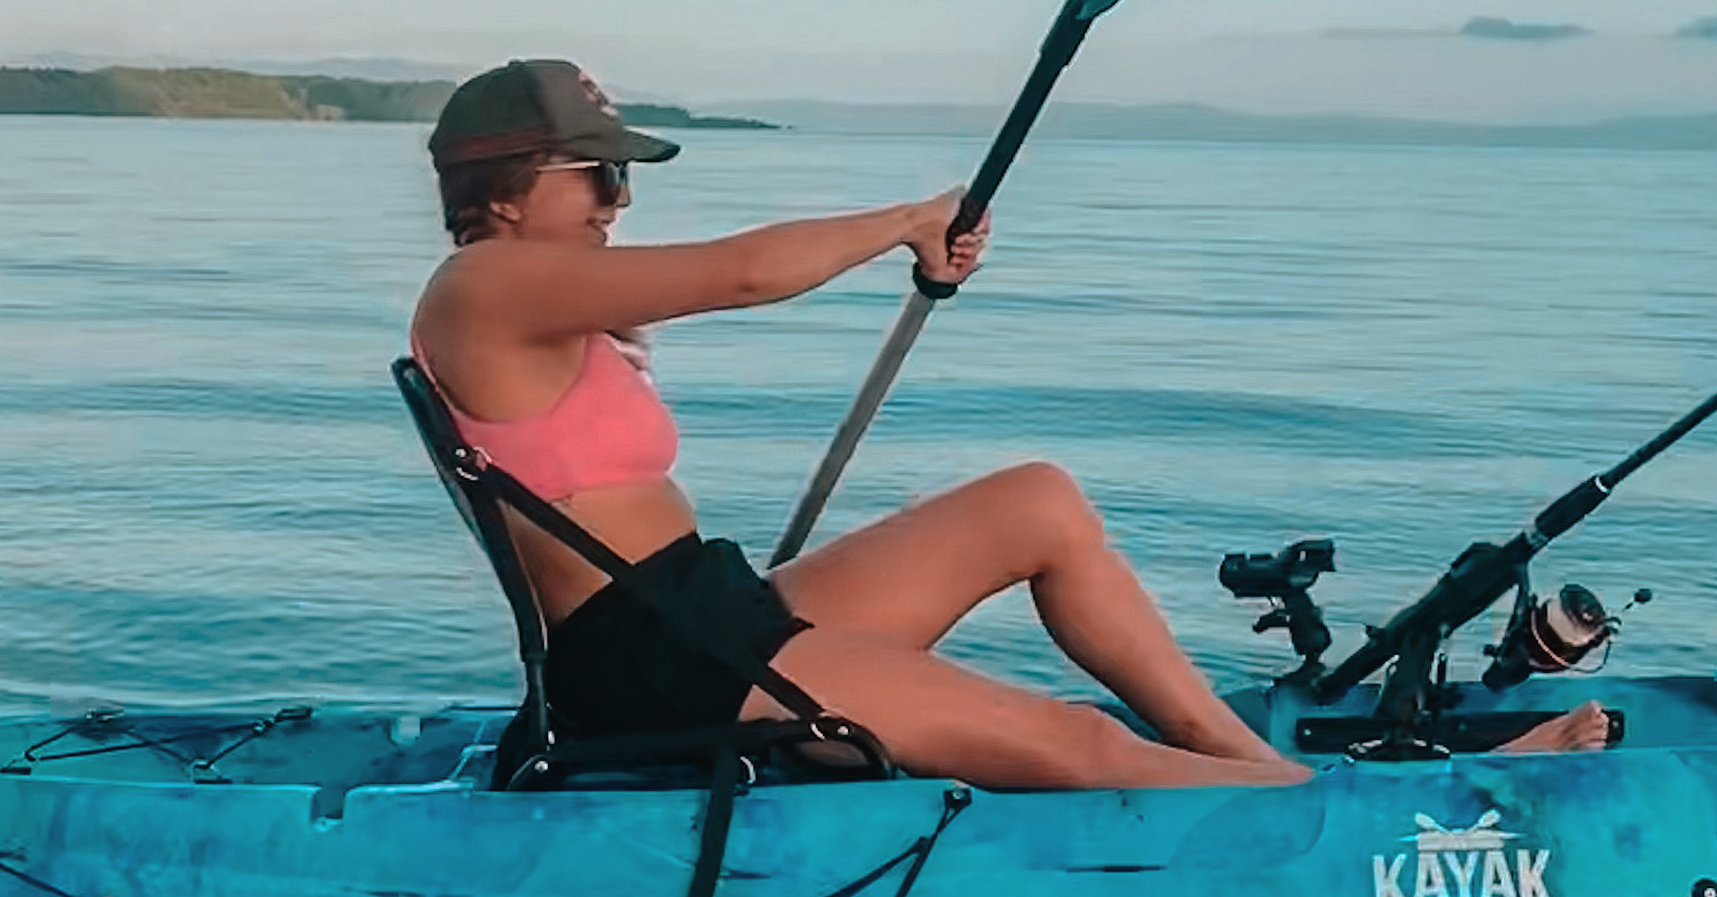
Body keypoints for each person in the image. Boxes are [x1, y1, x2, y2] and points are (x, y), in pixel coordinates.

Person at [408, 59, 1609, 791]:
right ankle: (1337, 809)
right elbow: (743, 274)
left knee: (1036, 501)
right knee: (1073, 744)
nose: (618, 199)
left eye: (624, 177)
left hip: (706, 610)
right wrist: (907, 220)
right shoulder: (483, 287)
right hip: (658, 668)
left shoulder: (536, 298)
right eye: (597, 175)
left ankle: (1246, 765)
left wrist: (924, 253)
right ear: (503, 191)